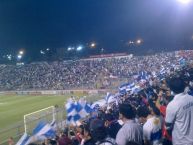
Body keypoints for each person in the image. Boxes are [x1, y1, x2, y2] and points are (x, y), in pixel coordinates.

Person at [165, 77, 193, 145]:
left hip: (181, 140)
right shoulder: (191, 98)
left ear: (171, 89)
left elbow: (168, 126)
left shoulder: (172, 105)